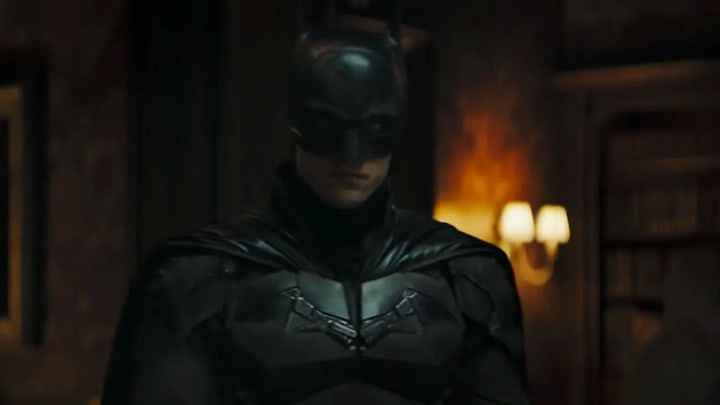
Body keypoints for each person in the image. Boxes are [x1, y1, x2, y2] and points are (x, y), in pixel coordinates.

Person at [101, 27, 529, 405]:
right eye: (329, 127)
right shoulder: (195, 276)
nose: (351, 157)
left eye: (374, 129)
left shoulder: (466, 275)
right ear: (295, 123)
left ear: (397, 127)